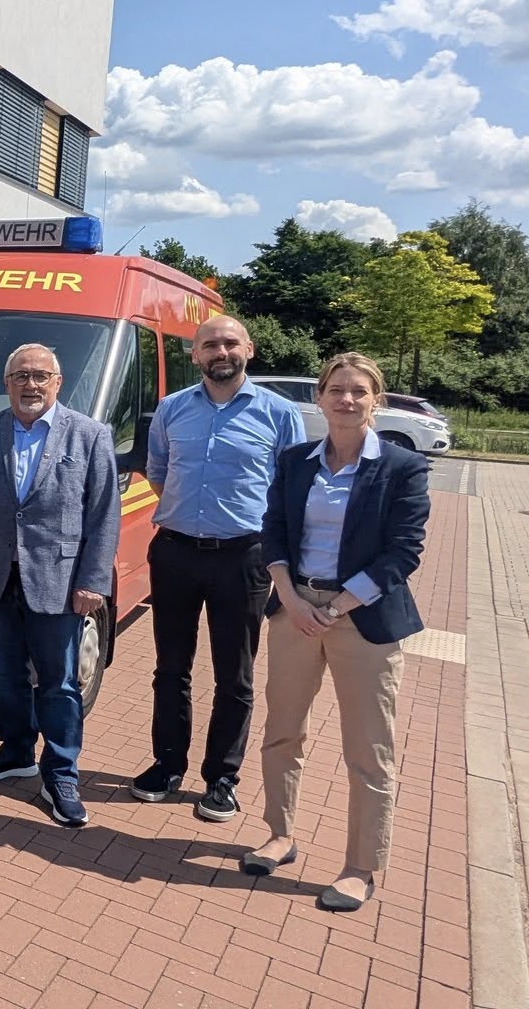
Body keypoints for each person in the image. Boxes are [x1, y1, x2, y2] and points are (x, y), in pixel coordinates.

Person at [250, 353, 430, 912]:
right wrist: (289, 596)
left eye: (358, 391)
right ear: (320, 397)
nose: (346, 400)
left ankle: (360, 866)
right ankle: (280, 834)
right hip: (295, 610)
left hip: (363, 617)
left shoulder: (402, 466)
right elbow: (274, 529)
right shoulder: (296, 460)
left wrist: (338, 606)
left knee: (368, 747)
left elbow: (404, 551)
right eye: (336, 390)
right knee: (283, 731)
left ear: (376, 400)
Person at [131, 315, 306, 823]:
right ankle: (167, 765)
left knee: (235, 674)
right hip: (176, 553)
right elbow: (159, 471)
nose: (220, 351)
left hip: (243, 558)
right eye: (210, 344)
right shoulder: (171, 409)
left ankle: (222, 778)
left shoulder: (280, 413)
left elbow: (291, 491)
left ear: (249, 349)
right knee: (171, 667)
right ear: (195, 354)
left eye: (230, 343)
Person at [0, 344, 119, 828]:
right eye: (21, 375)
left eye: (41, 375)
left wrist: (93, 580)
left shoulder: (90, 435)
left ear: (58, 382)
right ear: (6, 383)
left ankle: (61, 773)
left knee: (59, 683)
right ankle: (16, 750)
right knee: (5, 675)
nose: (31, 384)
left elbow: (104, 514)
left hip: (59, 582)